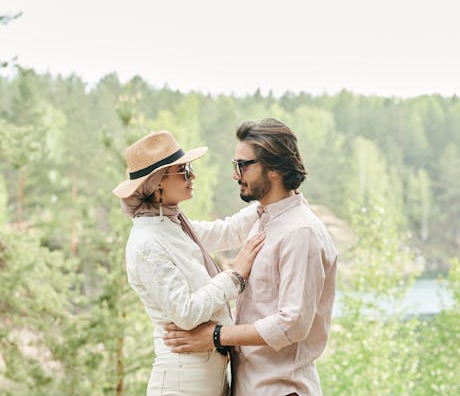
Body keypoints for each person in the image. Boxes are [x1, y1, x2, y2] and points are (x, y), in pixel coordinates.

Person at [164, 118, 338, 396]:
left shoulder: (301, 232)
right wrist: (155, 221)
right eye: (235, 165)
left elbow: (292, 323)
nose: (236, 175)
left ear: (275, 168)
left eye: (243, 165)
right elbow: (218, 232)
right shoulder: (263, 217)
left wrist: (216, 336)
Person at [112, 130, 265, 396]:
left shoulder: (173, 225)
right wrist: (234, 276)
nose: (193, 175)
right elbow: (185, 312)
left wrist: (272, 197)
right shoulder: (147, 243)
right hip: (182, 384)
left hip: (206, 380)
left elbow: (227, 231)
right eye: (184, 170)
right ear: (158, 182)